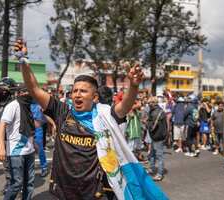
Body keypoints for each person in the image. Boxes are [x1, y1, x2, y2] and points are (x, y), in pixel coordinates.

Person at [15, 40, 167, 200]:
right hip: (63, 191)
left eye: (83, 91)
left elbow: (124, 106)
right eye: (75, 91)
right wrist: (24, 60)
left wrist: (134, 86)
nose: (77, 94)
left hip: (95, 193)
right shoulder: (61, 111)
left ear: (94, 97)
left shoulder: (105, 115)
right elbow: (33, 88)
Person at [0, 88, 36, 200]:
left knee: (29, 184)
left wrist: (35, 145)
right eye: (24, 91)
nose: (27, 93)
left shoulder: (28, 106)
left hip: (30, 150)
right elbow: (2, 125)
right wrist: (1, 147)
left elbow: (30, 127)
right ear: (19, 93)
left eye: (29, 91)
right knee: (16, 184)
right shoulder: (13, 105)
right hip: (16, 151)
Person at [147, 96, 167, 181]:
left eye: (149, 103)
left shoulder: (154, 113)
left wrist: (146, 123)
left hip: (157, 136)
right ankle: (151, 168)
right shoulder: (161, 111)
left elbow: (151, 126)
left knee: (158, 156)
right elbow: (166, 124)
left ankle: (159, 174)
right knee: (153, 153)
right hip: (159, 135)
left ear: (152, 103)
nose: (148, 105)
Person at [31, 101, 48, 177]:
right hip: (28, 129)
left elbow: (46, 117)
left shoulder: (41, 103)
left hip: (38, 129)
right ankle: (29, 169)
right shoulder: (25, 103)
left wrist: (40, 121)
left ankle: (44, 167)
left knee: (40, 149)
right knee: (28, 150)